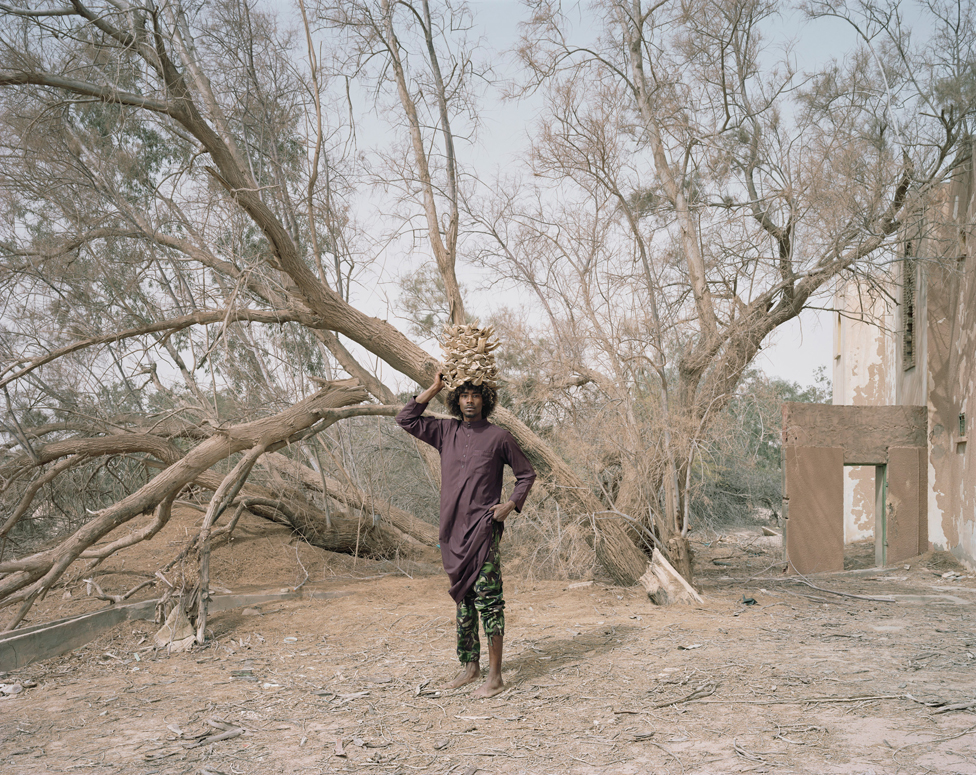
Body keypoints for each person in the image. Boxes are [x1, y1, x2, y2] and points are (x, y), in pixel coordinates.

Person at [396, 372, 536, 698]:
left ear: (485, 398)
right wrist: (433, 387)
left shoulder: (499, 437)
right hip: (451, 532)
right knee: (463, 600)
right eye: (464, 395)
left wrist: (510, 505)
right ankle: (470, 667)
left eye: (475, 395)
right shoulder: (446, 431)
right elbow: (405, 418)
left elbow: (526, 474)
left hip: (483, 530)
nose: (469, 400)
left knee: (489, 602)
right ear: (456, 400)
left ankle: (496, 676)